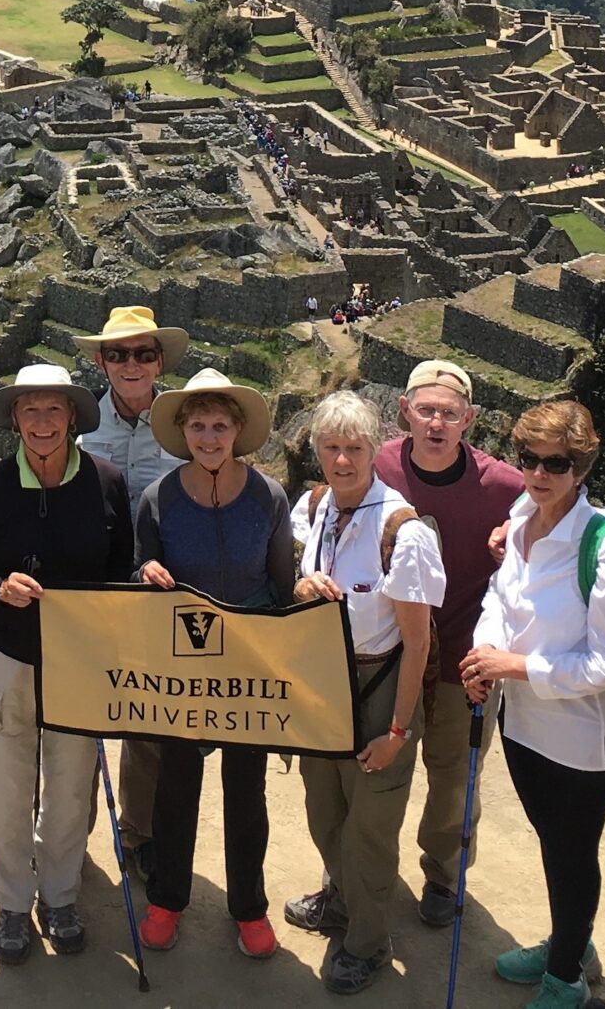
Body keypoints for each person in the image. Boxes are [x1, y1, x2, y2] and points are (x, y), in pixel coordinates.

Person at [0, 364, 133, 965]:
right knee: (5, 789)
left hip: (78, 659)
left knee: (71, 785)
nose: (43, 421)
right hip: (6, 653)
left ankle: (61, 897)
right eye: (30, 409)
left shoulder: (106, 483)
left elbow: (120, 571)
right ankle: (11, 903)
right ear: (15, 419)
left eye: (54, 409)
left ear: (73, 417)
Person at [460, 401, 605, 1008]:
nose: (538, 473)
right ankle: (572, 946)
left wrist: (512, 666)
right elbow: (499, 599)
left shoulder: (602, 548)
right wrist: (485, 650)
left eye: (555, 464)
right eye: (528, 459)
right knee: (552, 845)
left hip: (583, 740)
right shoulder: (519, 519)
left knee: (571, 853)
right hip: (525, 724)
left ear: (580, 467)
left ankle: (566, 980)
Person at [284, 392, 445, 994]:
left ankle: (368, 944)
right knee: (324, 808)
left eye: (354, 448)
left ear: (375, 450)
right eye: (331, 447)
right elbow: (293, 574)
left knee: (370, 826)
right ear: (316, 450)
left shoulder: (403, 532)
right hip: (323, 681)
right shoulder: (314, 506)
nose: (342, 460)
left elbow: (417, 643)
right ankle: (343, 902)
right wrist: (303, 586)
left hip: (380, 685)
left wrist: (397, 731)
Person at [135, 368, 295, 959]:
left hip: (249, 659)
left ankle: (249, 907)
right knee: (175, 786)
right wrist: (145, 572)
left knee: (246, 790)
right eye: (198, 425)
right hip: (183, 661)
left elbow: (283, 586)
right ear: (183, 431)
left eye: (219, 426)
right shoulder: (159, 498)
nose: (209, 437)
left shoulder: (267, 497)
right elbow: (140, 568)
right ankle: (166, 899)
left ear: (236, 431)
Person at [373, 359, 520, 927]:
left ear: (469, 419)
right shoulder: (379, 465)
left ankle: (443, 874)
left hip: (464, 656)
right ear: (404, 411)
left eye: (449, 413)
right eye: (426, 410)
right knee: (378, 770)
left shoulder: (504, 487)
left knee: (454, 776)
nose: (436, 423)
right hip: (390, 656)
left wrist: (516, 532)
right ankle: (360, 873)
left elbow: (549, 528)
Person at [73, 305, 188, 873]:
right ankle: (69, 835)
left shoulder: (186, 424)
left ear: (159, 361)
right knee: (79, 719)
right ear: (101, 362)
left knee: (151, 721)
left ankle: (139, 834)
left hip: (160, 591)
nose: (131, 364)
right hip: (93, 590)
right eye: (118, 354)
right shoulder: (78, 425)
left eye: (143, 353)